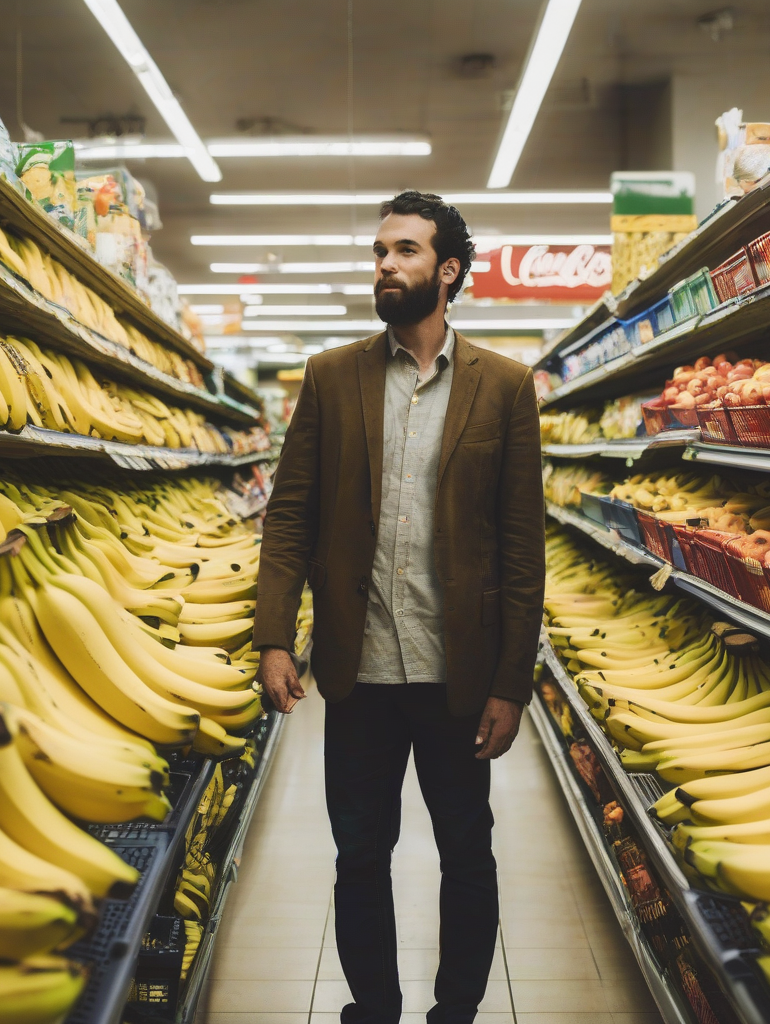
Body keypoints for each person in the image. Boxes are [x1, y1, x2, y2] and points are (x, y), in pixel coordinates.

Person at [253, 190, 545, 1024]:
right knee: (358, 857)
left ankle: (455, 1012)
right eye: (380, 251)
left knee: (468, 854)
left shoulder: (505, 387)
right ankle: (372, 1009)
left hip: (461, 672)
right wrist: (275, 637)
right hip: (361, 670)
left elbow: (523, 551)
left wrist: (512, 683)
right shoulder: (331, 376)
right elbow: (290, 518)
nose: (385, 265)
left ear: (447, 271)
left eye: (405, 251)